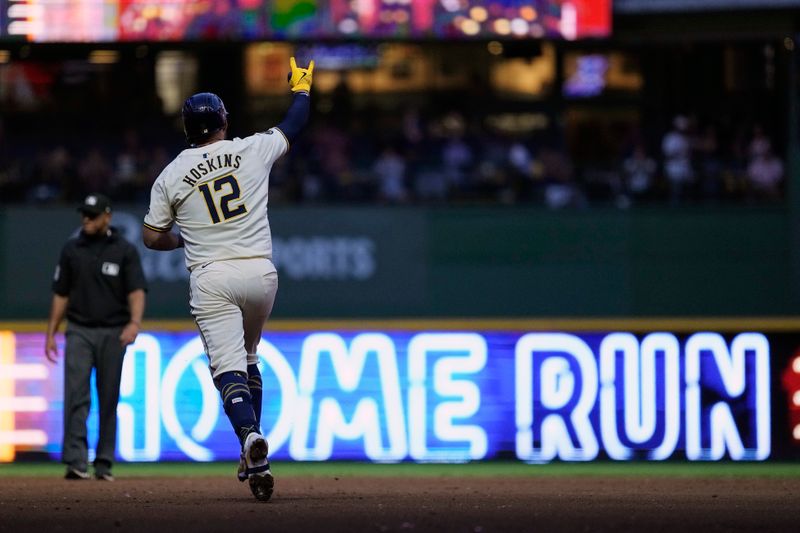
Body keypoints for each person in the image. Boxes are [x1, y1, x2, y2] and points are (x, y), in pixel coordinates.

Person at [141, 57, 313, 502]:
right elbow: (294, 124)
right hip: (261, 272)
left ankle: (250, 435)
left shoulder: (172, 174)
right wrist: (301, 90)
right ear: (223, 121)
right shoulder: (250, 149)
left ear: (186, 129)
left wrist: (185, 239)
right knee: (250, 356)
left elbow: (150, 236)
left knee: (227, 369)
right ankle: (255, 456)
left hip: (213, 276)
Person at [45, 193, 147, 481]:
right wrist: (51, 332)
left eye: (92, 214)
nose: (86, 219)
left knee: (108, 398)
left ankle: (104, 462)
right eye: (84, 214)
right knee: (76, 395)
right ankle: (76, 460)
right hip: (79, 329)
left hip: (114, 331)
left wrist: (134, 323)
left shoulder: (124, 250)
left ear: (107, 216)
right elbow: (61, 293)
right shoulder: (71, 249)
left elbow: (136, 290)